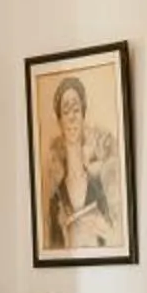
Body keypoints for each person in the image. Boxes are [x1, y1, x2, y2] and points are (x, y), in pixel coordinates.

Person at [43, 71, 123, 253]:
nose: (72, 117)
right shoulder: (56, 198)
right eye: (66, 111)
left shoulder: (99, 187)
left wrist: (107, 231)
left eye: (76, 110)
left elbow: (116, 241)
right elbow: (53, 250)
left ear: (83, 115)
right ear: (59, 120)